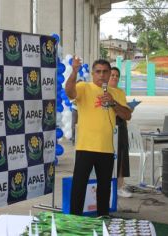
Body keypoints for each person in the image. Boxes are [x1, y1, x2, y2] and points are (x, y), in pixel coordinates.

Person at [65, 56, 131, 216]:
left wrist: (113, 102)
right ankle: (75, 220)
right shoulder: (84, 87)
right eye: (98, 72)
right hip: (85, 146)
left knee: (104, 188)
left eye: (105, 72)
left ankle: (103, 217)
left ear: (110, 74)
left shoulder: (117, 92)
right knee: (79, 186)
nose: (101, 75)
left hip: (106, 148)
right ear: (93, 74)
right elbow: (69, 91)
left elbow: (127, 115)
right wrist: (74, 71)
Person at [108, 66, 133, 198]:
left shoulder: (121, 92)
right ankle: (111, 186)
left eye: (117, 76)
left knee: (123, 156)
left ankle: (120, 185)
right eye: (112, 75)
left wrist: (128, 109)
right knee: (111, 158)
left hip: (122, 125)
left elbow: (125, 108)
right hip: (111, 125)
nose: (114, 78)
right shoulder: (104, 90)